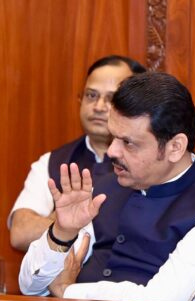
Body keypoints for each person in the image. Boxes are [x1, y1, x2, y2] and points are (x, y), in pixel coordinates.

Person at [18, 72, 195, 301]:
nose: (112, 151)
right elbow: (31, 287)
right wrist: (61, 234)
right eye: (113, 137)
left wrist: (68, 291)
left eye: (128, 143)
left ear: (175, 147)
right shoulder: (106, 188)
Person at [8, 55, 146, 251]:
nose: (98, 107)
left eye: (112, 98)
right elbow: (21, 233)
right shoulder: (53, 162)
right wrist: (76, 221)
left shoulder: (150, 163)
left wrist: (61, 224)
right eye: (91, 95)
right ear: (79, 99)